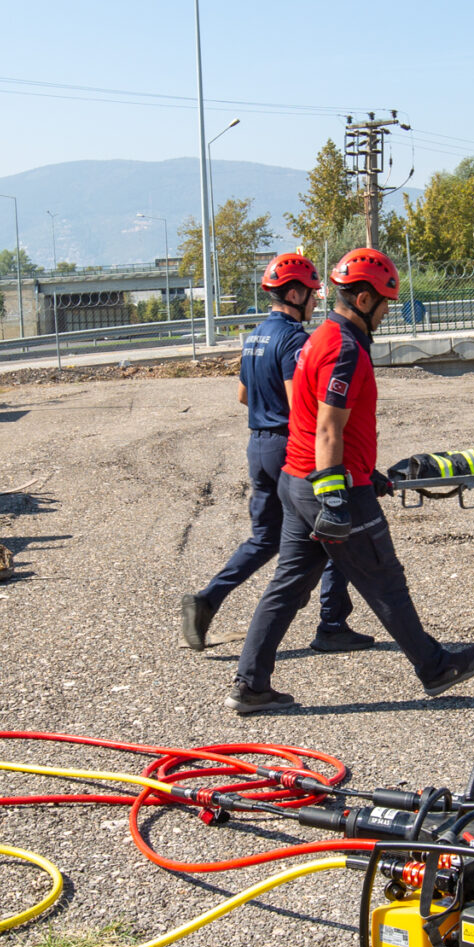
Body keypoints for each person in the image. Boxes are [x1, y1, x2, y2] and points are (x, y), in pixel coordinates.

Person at [229, 249, 474, 715]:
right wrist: (336, 496)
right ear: (364, 300)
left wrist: (367, 472)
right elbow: (328, 427)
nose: (388, 312)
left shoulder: (321, 337)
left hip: (299, 478)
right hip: (330, 486)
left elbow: (313, 416)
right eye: (385, 303)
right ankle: (435, 668)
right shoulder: (344, 348)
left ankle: (251, 685)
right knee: (384, 579)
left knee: (288, 585)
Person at [179, 253, 367, 655]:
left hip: (258, 446)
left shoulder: (255, 336)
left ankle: (208, 598)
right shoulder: (295, 339)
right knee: (333, 529)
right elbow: (300, 404)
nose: (315, 302)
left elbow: (243, 395)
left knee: (265, 538)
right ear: (294, 294)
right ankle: (332, 624)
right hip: (289, 448)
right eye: (312, 295)